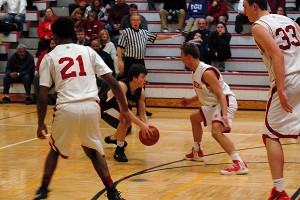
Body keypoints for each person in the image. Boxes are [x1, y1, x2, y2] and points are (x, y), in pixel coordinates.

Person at [34, 17, 130, 200]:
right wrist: (124, 109)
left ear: (53, 35)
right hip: (91, 106)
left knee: (55, 149)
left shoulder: (49, 57)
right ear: (73, 33)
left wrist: (40, 123)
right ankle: (112, 191)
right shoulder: (88, 51)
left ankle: (43, 190)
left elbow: (42, 96)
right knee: (93, 151)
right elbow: (114, 83)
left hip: (67, 107)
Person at [244, 0, 300, 199]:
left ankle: (279, 190)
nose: (243, 11)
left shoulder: (259, 26)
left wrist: (281, 88)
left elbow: (277, 55)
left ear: (254, 6)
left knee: (270, 135)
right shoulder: (288, 20)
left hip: (289, 79)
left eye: (244, 6)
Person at [180, 42, 249, 175]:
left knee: (216, 132)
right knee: (194, 118)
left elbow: (221, 95)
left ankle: (239, 163)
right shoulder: (195, 71)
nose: (180, 59)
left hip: (225, 101)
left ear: (188, 56)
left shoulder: (207, 72)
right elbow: (205, 92)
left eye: (181, 56)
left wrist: (223, 115)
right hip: (215, 104)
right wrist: (190, 100)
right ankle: (197, 151)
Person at [99, 64, 153, 162]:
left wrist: (146, 125)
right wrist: (141, 125)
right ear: (134, 78)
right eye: (143, 77)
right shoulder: (122, 86)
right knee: (125, 120)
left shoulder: (141, 91)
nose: (145, 80)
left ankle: (114, 138)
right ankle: (119, 150)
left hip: (118, 109)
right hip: (104, 107)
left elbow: (142, 113)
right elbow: (125, 111)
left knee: (128, 130)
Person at [34, 38, 56, 104]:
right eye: (52, 44)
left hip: (56, 74)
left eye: (55, 44)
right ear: (49, 45)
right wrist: (42, 73)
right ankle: (37, 97)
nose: (54, 45)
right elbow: (38, 65)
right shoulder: (44, 53)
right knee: (37, 76)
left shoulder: (60, 54)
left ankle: (53, 97)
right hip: (45, 73)